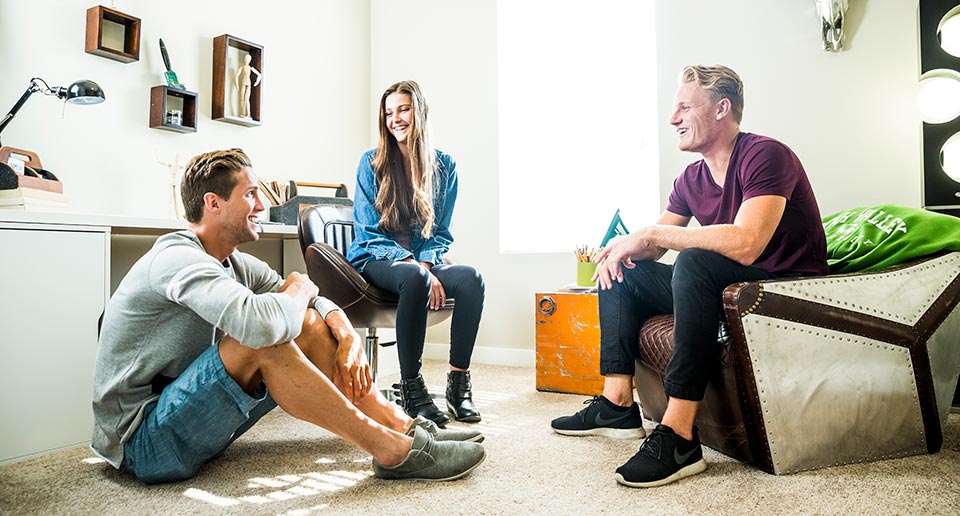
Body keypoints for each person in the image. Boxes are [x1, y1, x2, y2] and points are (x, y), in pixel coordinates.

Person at [91, 148, 486, 484]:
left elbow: (311, 305)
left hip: (190, 418)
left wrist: (345, 332)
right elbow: (263, 322)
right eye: (250, 195)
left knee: (309, 324)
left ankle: (404, 426)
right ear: (213, 204)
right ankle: (394, 452)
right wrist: (298, 286)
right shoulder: (176, 259)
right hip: (142, 441)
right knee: (265, 339)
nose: (262, 205)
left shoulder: (234, 263)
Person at [551, 65, 828, 488]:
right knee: (626, 271)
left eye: (684, 107)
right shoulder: (691, 177)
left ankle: (679, 436)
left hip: (780, 289)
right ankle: (617, 403)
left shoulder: (765, 154)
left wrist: (650, 233)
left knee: (693, 261)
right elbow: (657, 243)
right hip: (726, 287)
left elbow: (748, 242)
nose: (672, 119)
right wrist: (622, 248)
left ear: (722, 108)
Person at [348, 80, 485, 427]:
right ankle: (412, 388)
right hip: (376, 258)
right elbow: (367, 231)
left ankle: (458, 385)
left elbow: (440, 232)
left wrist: (425, 264)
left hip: (420, 261)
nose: (396, 118)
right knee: (411, 276)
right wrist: (416, 268)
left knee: (471, 279)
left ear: (419, 112)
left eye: (403, 109)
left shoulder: (445, 166)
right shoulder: (371, 163)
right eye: (389, 112)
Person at [234, 53, 261, 118]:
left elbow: (259, 75)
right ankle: (242, 113)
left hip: (248, 83)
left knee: (247, 99)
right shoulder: (242, 67)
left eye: (248, 59)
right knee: (242, 99)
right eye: (246, 58)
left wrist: (257, 82)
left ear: (250, 60)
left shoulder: (250, 68)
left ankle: (248, 114)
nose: (247, 60)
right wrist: (237, 85)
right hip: (243, 83)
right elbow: (236, 76)